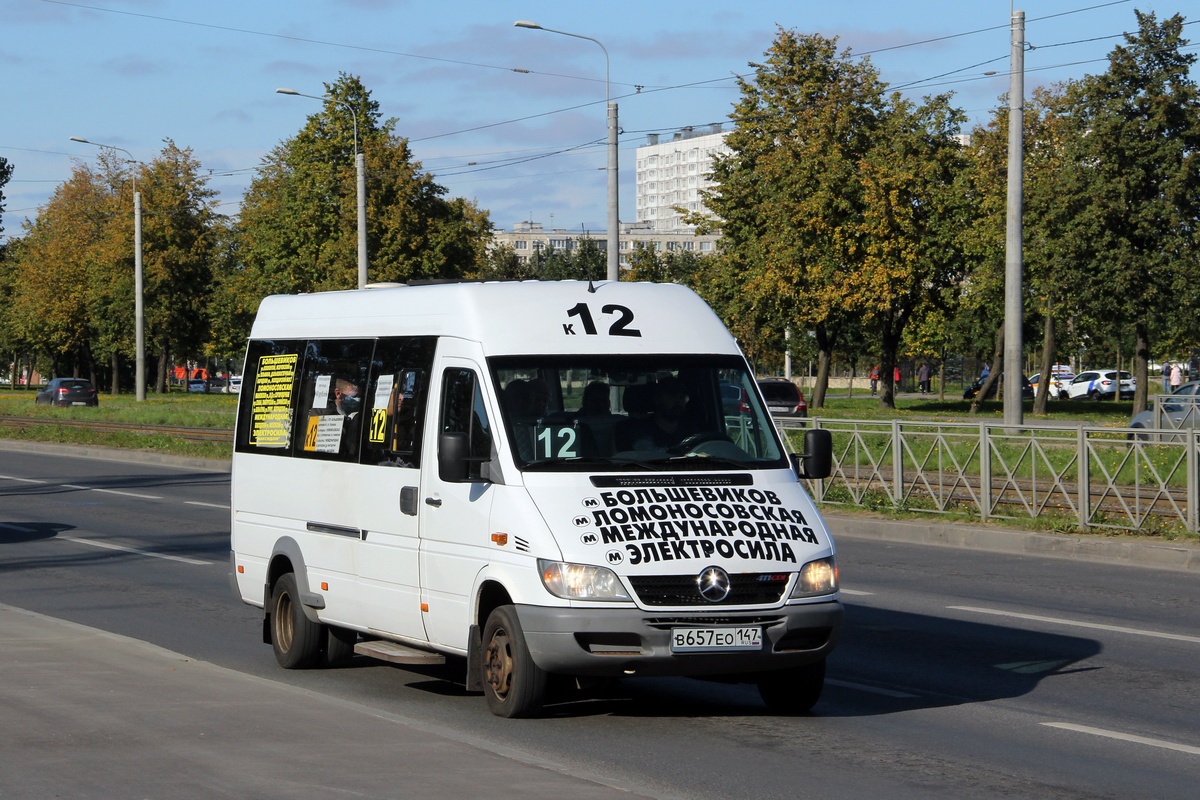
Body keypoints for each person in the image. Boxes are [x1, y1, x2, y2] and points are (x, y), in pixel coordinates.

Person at [615, 376, 695, 450]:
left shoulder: (692, 433)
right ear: (657, 399)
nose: (678, 401)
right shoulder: (634, 432)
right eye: (672, 396)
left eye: (682, 397)